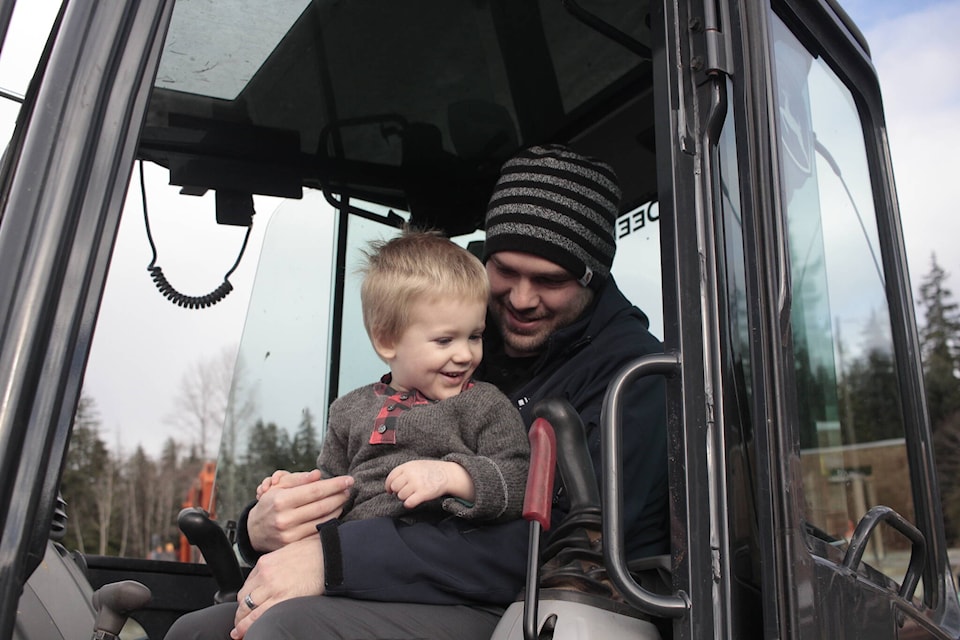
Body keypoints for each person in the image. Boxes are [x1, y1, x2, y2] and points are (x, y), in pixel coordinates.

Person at [164, 144, 668, 640]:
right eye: (505, 271)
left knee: (288, 629)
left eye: (549, 280)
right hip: (388, 580)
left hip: (525, 607)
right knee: (197, 631)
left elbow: (559, 543)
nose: (520, 299)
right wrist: (266, 526)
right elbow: (351, 474)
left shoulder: (632, 380)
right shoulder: (468, 333)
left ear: (592, 277)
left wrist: (338, 558)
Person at [257, 231, 529, 525]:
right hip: (355, 545)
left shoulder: (485, 405)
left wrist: (452, 476)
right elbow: (332, 488)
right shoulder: (348, 411)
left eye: (474, 336)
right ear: (387, 340)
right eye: (444, 340)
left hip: (439, 541)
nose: (465, 354)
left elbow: (520, 480)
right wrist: (298, 490)